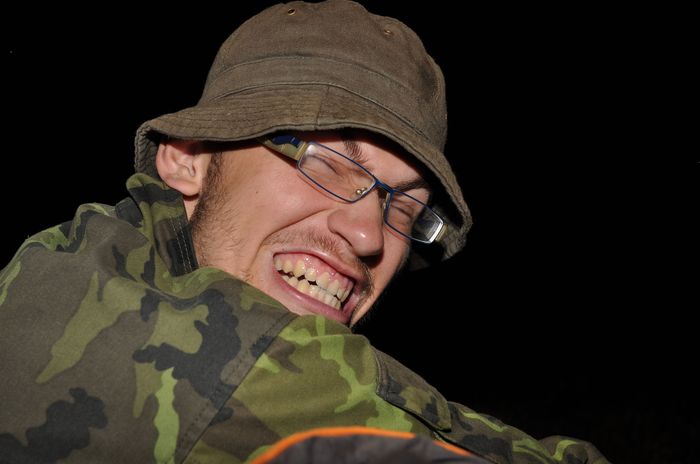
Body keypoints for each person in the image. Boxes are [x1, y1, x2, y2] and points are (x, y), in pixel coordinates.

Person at [0, 1, 609, 463]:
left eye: (404, 207)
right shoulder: (111, 324)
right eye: (327, 162)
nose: (370, 235)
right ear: (188, 158)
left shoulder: (96, 253)